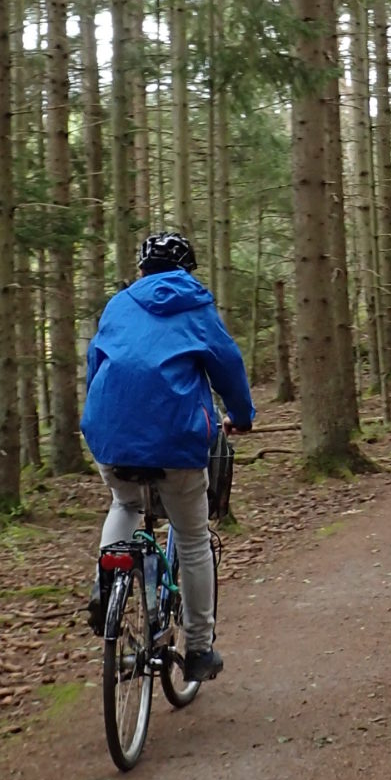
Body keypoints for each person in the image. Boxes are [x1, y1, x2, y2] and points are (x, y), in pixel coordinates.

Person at [81, 231, 254, 683]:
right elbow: (227, 364)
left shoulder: (119, 305)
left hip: (110, 434)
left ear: (141, 270)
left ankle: (105, 589)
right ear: (186, 270)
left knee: (125, 504)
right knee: (193, 538)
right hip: (176, 440)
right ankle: (198, 648)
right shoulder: (196, 307)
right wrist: (241, 415)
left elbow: (95, 363)